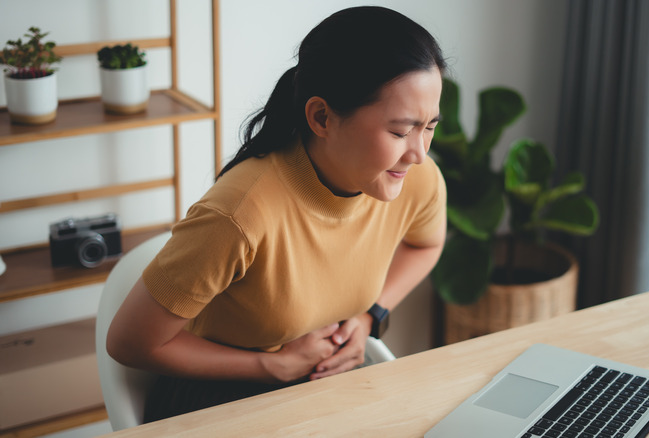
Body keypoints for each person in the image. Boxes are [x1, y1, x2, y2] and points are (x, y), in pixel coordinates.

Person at [106, 6, 448, 422]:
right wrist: (272, 366)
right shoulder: (238, 214)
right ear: (322, 117)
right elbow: (128, 342)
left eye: (429, 126)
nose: (418, 152)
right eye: (399, 131)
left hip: (324, 390)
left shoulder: (415, 177)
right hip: (222, 402)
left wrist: (369, 315)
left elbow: (426, 244)